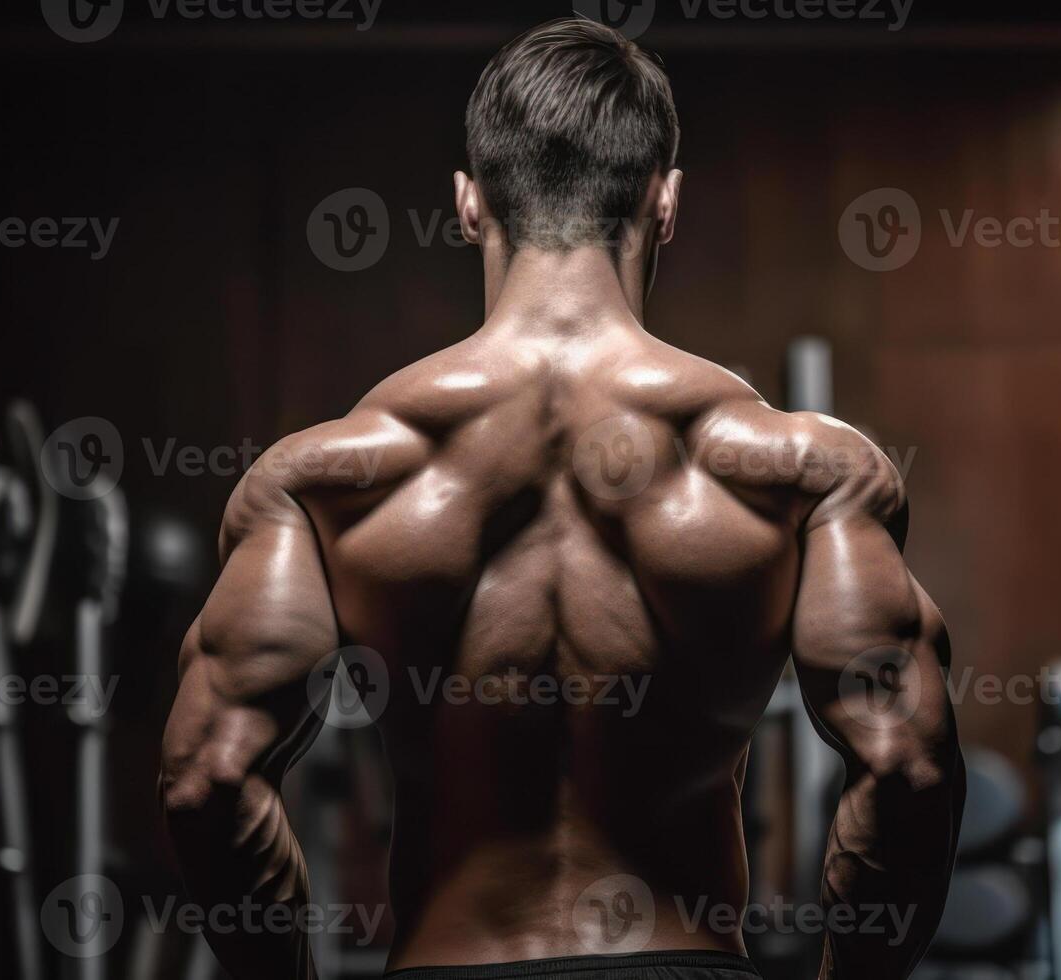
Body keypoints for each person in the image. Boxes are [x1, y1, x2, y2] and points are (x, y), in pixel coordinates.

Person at [160, 17, 961, 980]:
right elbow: (906, 764)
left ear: (467, 203)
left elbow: (207, 777)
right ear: (664, 203)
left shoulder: (323, 482)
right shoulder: (801, 473)